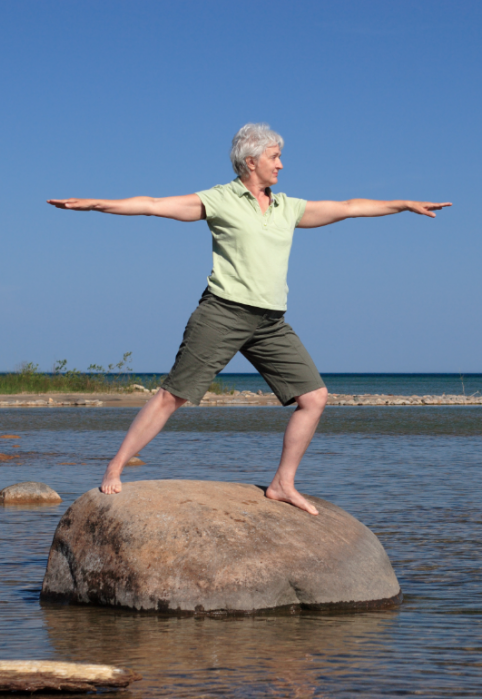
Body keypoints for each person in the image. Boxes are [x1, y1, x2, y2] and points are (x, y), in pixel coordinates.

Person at [48, 123, 450, 514]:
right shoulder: (220, 199)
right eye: (275, 157)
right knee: (175, 395)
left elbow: (347, 208)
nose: (281, 165)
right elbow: (153, 205)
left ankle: (282, 483)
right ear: (251, 160)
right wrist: (96, 204)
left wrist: (403, 205)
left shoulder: (286, 207)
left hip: (271, 322)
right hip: (223, 311)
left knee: (314, 398)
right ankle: (116, 465)